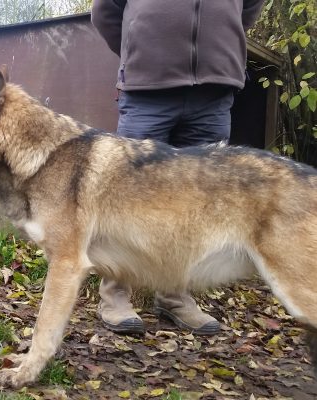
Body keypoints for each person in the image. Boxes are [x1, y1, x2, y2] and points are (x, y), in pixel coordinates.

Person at [91, 0, 266, 335]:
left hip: (214, 93)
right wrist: (137, 52)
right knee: (128, 197)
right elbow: (105, 12)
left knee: (193, 206)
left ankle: (174, 296)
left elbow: (249, 8)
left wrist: (221, 41)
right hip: (147, 91)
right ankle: (114, 295)